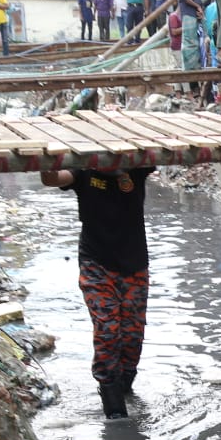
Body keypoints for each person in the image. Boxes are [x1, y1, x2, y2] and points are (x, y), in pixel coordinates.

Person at [40, 164, 156, 420]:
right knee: (107, 330)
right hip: (97, 264)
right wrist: (44, 161)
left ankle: (125, 387)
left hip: (135, 265)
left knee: (132, 336)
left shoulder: (136, 166)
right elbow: (53, 178)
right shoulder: (83, 171)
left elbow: (151, 155)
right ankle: (114, 408)